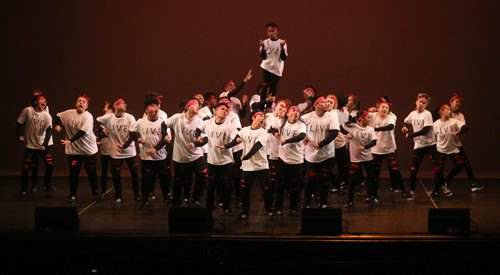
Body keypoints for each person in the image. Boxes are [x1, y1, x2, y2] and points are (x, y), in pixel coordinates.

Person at [221, 111, 272, 219]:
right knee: (245, 190)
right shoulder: (245, 130)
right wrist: (226, 146)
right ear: (254, 117)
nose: (263, 118)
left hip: (261, 165)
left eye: (264, 117)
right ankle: (245, 212)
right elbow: (236, 140)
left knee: (266, 189)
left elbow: (257, 146)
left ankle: (268, 209)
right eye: (260, 116)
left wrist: (247, 156)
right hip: (247, 166)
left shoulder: (263, 133)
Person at [54, 95, 99, 202]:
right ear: (76, 104)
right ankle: (72, 194)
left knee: (91, 173)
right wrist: (58, 125)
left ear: (87, 106)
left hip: (88, 150)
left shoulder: (88, 116)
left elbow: (82, 132)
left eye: (84, 102)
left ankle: (96, 193)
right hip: (74, 151)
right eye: (79, 101)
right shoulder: (69, 113)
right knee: (73, 174)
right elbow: (57, 116)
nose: (81, 103)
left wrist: (70, 140)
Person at [96, 98, 141, 204]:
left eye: (125, 104)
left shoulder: (129, 117)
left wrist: (125, 145)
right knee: (116, 175)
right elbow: (98, 120)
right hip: (116, 152)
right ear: (115, 106)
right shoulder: (109, 118)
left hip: (129, 150)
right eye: (122, 104)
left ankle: (138, 195)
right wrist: (103, 128)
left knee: (134, 174)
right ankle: (118, 196)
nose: (125, 105)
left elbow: (134, 134)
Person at [165, 99, 207, 206]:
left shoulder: (200, 121)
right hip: (181, 156)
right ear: (188, 107)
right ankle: (177, 200)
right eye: (195, 104)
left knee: (202, 176)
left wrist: (196, 144)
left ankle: (196, 197)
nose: (198, 106)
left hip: (196, 155)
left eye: (199, 105)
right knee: (179, 181)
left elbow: (206, 139)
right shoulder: (177, 118)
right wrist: (165, 135)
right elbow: (163, 124)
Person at [198, 102, 237, 214]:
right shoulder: (208, 123)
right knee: (210, 186)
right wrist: (198, 137)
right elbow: (198, 129)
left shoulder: (230, 126)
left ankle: (226, 206)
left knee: (226, 186)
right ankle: (208, 207)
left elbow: (236, 139)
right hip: (212, 161)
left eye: (227, 110)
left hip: (226, 162)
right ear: (216, 110)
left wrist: (226, 146)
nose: (225, 112)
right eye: (223, 109)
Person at [301, 96, 339, 208]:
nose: (327, 103)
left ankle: (323, 202)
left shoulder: (332, 115)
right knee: (310, 179)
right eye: (323, 102)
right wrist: (304, 137)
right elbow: (297, 127)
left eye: (328, 102)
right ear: (316, 105)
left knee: (325, 179)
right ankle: (307, 203)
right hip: (311, 155)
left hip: (327, 154)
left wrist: (320, 144)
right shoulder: (306, 117)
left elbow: (334, 133)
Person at [131, 97, 170, 207]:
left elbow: (165, 139)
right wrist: (137, 138)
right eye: (153, 106)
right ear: (147, 109)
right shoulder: (140, 122)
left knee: (164, 179)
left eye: (157, 106)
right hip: (146, 156)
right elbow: (131, 132)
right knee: (146, 179)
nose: (156, 108)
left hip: (160, 156)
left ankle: (166, 198)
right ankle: (145, 199)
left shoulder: (163, 122)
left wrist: (156, 148)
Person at [401, 93, 440, 200]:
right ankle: (412, 191)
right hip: (418, 146)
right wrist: (405, 128)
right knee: (413, 169)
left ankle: (436, 189)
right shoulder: (412, 114)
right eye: (420, 102)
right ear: (416, 102)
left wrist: (410, 134)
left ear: (426, 105)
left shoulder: (427, 114)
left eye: (424, 103)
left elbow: (425, 130)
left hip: (430, 145)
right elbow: (405, 122)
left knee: (436, 168)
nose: (421, 104)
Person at [16, 93, 54, 198]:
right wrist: (19, 135)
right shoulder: (27, 111)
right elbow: (19, 123)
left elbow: (49, 131)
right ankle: (24, 189)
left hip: (42, 145)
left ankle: (47, 185)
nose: (44, 102)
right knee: (26, 167)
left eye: (45, 101)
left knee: (49, 164)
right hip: (31, 146)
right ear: (35, 102)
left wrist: (45, 144)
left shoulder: (47, 115)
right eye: (41, 100)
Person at [370, 97, 407, 197]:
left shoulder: (391, 116)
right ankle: (373, 194)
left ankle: (404, 190)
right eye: (382, 107)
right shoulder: (372, 116)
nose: (384, 109)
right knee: (375, 173)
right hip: (376, 149)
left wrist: (376, 129)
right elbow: (360, 117)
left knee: (394, 170)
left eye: (386, 108)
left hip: (389, 149)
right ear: (378, 107)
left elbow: (390, 127)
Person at [272, 105, 307, 215]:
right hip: (283, 159)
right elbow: (270, 128)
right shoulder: (282, 122)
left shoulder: (301, 125)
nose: (296, 112)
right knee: (280, 185)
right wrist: (275, 133)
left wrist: (286, 141)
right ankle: (278, 207)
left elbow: (301, 136)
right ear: (287, 113)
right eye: (293, 110)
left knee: (295, 187)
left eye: (298, 111)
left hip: (296, 161)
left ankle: (293, 208)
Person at [446, 94, 484, 192]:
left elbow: (464, 127)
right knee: (440, 165)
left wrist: (460, 131)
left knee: (465, 164)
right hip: (444, 144)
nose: (458, 104)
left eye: (459, 102)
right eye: (457, 102)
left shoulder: (460, 115)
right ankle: (440, 185)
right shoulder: (445, 112)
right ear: (451, 102)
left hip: (456, 144)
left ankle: (473, 184)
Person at [342, 109, 378, 208]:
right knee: (352, 180)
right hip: (355, 159)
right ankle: (350, 201)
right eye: (368, 117)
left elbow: (374, 142)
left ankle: (372, 196)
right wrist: (346, 134)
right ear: (361, 118)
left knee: (371, 178)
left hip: (367, 158)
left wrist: (365, 147)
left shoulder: (370, 129)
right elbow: (342, 126)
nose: (370, 119)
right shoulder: (353, 128)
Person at [259, 22, 288, 110]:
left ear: (277, 32)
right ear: (267, 32)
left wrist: (282, 47)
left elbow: (283, 58)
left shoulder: (282, 42)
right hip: (266, 67)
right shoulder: (265, 42)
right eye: (269, 31)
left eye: (273, 31)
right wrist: (263, 48)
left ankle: (268, 107)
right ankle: (261, 106)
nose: (271, 33)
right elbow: (263, 58)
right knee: (264, 87)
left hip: (277, 70)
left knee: (273, 89)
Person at [96, 101, 113, 197]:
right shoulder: (100, 121)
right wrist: (98, 139)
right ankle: (103, 190)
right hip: (105, 148)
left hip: (114, 149)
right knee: (104, 170)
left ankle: (117, 191)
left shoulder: (114, 119)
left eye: (107, 108)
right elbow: (98, 132)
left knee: (115, 170)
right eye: (105, 107)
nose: (105, 109)